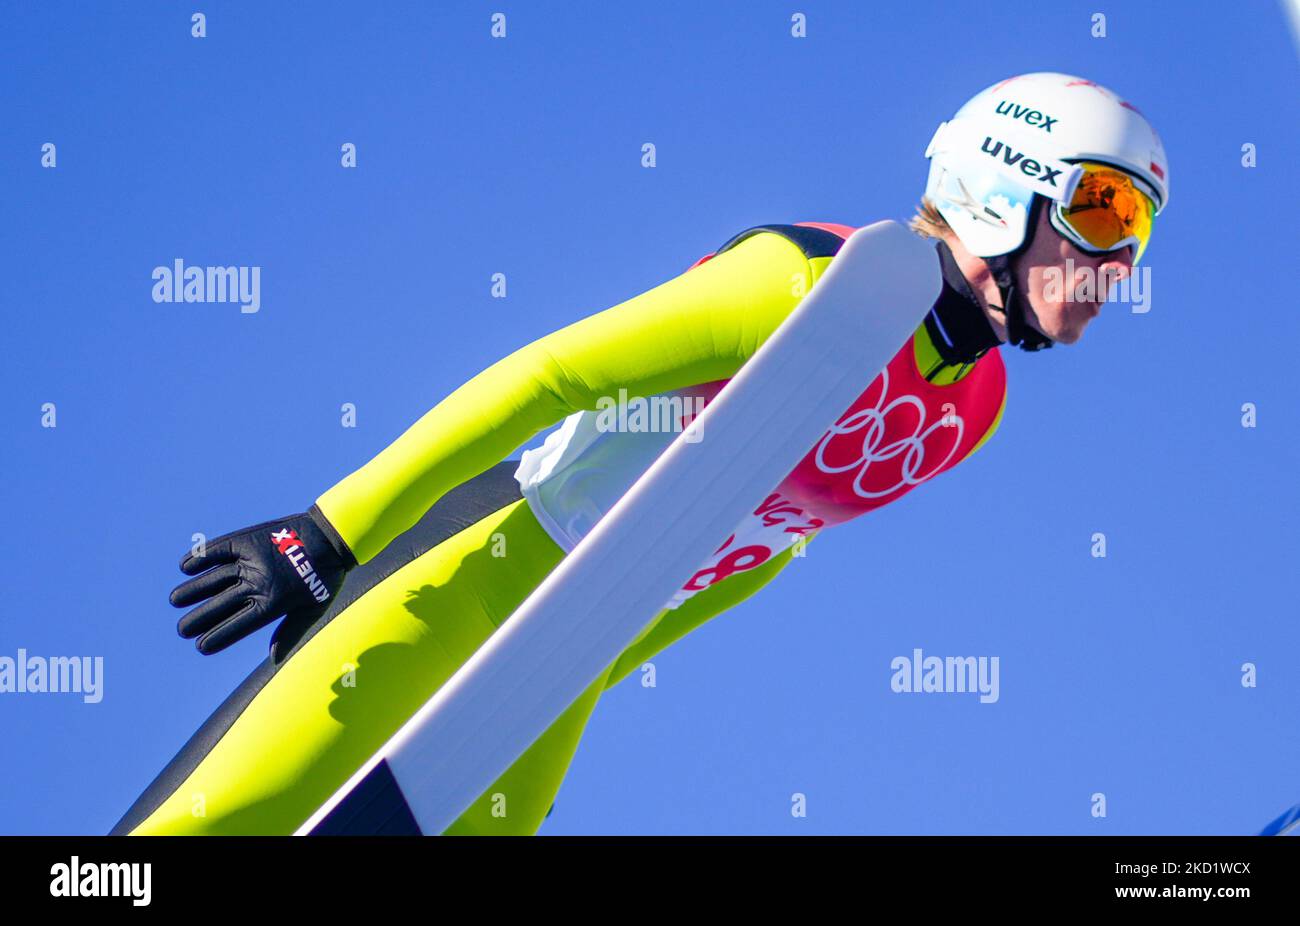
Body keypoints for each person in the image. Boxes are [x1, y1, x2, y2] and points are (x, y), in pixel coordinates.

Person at [113, 72, 1169, 835]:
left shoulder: (971, 412)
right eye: (1103, 206)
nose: (1120, 256)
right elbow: (550, 376)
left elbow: (768, 550)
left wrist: (587, 672)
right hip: (465, 574)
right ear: (1003, 182)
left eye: (1140, 229)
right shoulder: (801, 280)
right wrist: (330, 530)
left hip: (552, 681)